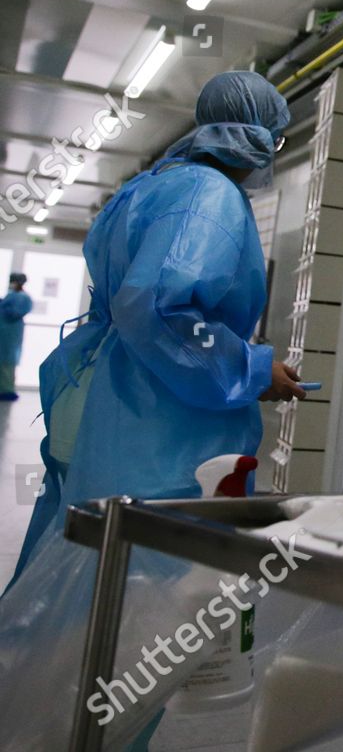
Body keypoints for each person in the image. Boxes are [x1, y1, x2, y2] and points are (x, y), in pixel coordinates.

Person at [6, 70, 306, 590]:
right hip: (151, 416)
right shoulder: (210, 194)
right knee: (148, 595)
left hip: (98, 391)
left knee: (77, 575)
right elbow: (161, 309)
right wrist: (255, 369)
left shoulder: (144, 188)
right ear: (257, 139)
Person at [0, 273, 33, 400]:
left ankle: (7, 391)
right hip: (4, 334)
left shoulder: (23, 298)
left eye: (13, 281)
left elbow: (15, 313)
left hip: (10, 335)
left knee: (7, 363)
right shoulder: (11, 295)